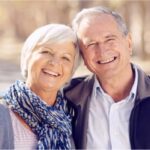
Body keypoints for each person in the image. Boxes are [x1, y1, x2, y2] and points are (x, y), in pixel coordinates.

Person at [64, 6, 150, 149]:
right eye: (91, 44)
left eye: (110, 39)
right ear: (82, 56)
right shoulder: (67, 98)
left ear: (128, 42)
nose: (102, 51)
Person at [0, 24, 81, 149]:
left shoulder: (68, 119)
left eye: (65, 57)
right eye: (46, 52)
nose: (54, 62)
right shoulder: (3, 114)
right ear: (28, 56)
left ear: (71, 71)